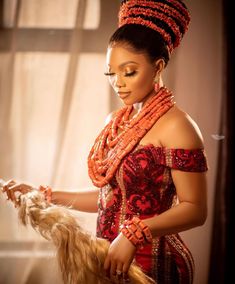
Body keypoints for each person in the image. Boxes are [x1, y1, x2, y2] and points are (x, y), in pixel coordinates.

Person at [1, 0, 208, 283]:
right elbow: (107, 198)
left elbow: (195, 209)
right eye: (111, 73)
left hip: (155, 265)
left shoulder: (178, 126)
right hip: (106, 259)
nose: (118, 83)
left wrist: (132, 234)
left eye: (129, 71)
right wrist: (43, 196)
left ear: (158, 67)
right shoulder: (115, 121)